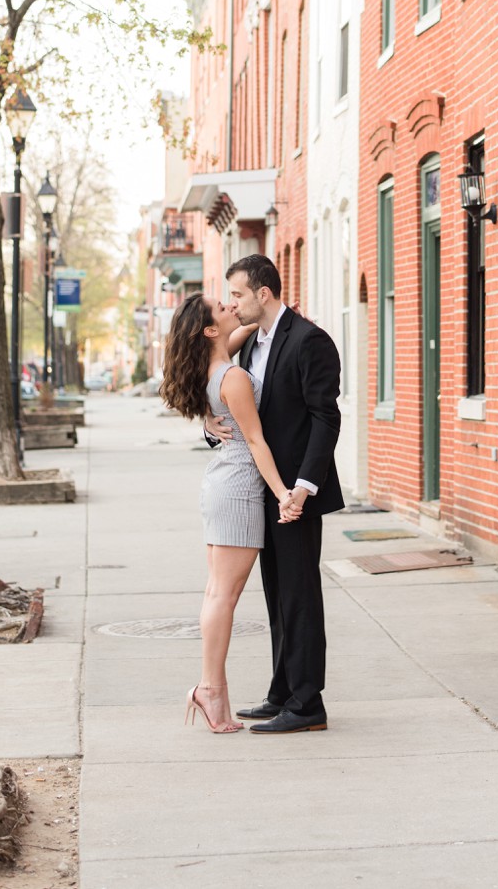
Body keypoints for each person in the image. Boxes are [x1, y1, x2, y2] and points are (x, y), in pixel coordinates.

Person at [208, 253, 342, 734]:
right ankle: (283, 691)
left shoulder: (310, 340)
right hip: (265, 491)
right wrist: (212, 426)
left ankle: (308, 705)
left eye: (239, 294)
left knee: (301, 596)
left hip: (297, 495)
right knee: (278, 595)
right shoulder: (252, 345)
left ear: (263, 293)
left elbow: (326, 419)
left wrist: (303, 488)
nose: (233, 303)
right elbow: (244, 415)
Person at [160, 292, 294, 735]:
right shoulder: (232, 376)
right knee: (224, 596)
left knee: (217, 593)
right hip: (237, 488)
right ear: (210, 330)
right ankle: (210, 689)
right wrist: (283, 494)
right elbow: (255, 441)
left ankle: (211, 689)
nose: (229, 304)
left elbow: (238, 334)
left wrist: (263, 315)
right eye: (221, 307)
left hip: (220, 483)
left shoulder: (212, 365)